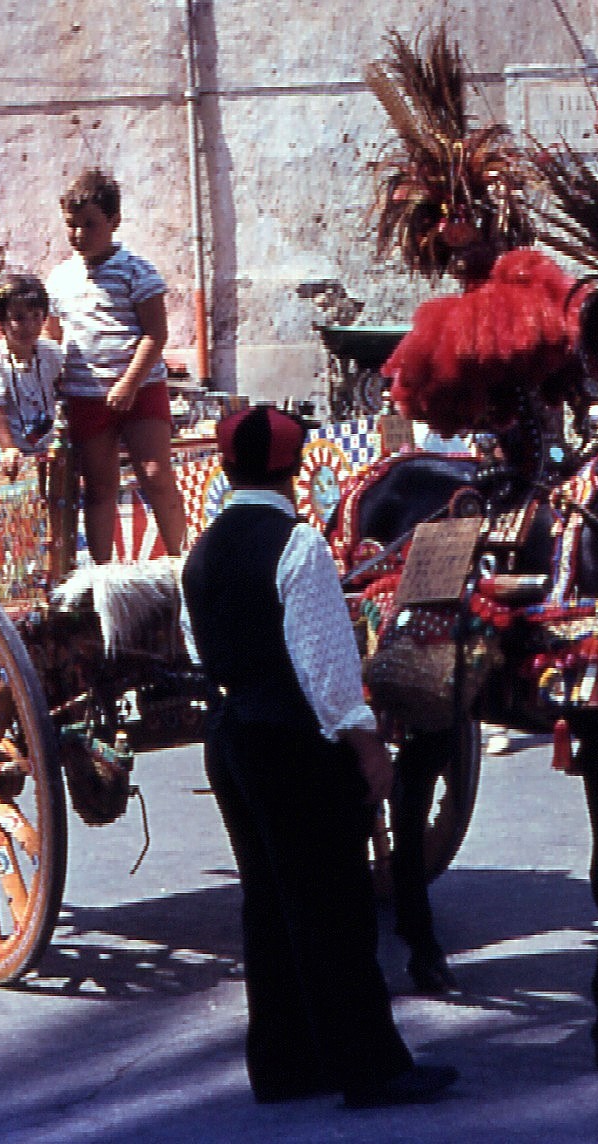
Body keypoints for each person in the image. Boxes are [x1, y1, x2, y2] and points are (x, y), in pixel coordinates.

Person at [181, 406, 459, 1109]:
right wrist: (366, 744)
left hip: (234, 736)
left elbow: (195, 646)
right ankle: (371, 1068)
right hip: (294, 743)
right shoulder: (297, 545)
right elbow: (325, 668)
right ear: (295, 469)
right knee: (334, 907)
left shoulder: (201, 550)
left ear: (224, 467)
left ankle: (283, 1062)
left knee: (268, 904)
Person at [46, 169, 187, 563]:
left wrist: (129, 382)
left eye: (90, 225)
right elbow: (52, 338)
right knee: (99, 486)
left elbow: (155, 334)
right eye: (71, 226)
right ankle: (103, 572)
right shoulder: (58, 280)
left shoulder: (137, 271)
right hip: (86, 395)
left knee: (156, 474)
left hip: (140, 390)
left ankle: (181, 560)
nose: (79, 235)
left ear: (113, 222)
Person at [0, 275, 62, 460]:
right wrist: (9, 448)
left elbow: (62, 389)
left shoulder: (50, 353)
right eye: (19, 319)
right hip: (8, 450)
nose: (29, 326)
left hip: (46, 445)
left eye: (36, 316)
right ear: (1, 321)